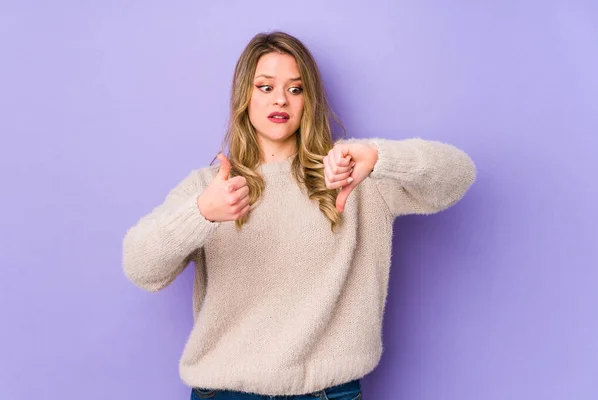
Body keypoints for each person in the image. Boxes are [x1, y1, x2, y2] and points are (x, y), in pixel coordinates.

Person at [122, 31, 476, 400]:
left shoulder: (351, 172)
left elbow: (458, 175)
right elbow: (141, 267)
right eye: (265, 86)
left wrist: (379, 157)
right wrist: (201, 213)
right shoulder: (211, 187)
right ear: (244, 94)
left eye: (296, 89)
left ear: (310, 100)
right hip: (226, 392)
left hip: (325, 392)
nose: (280, 99)